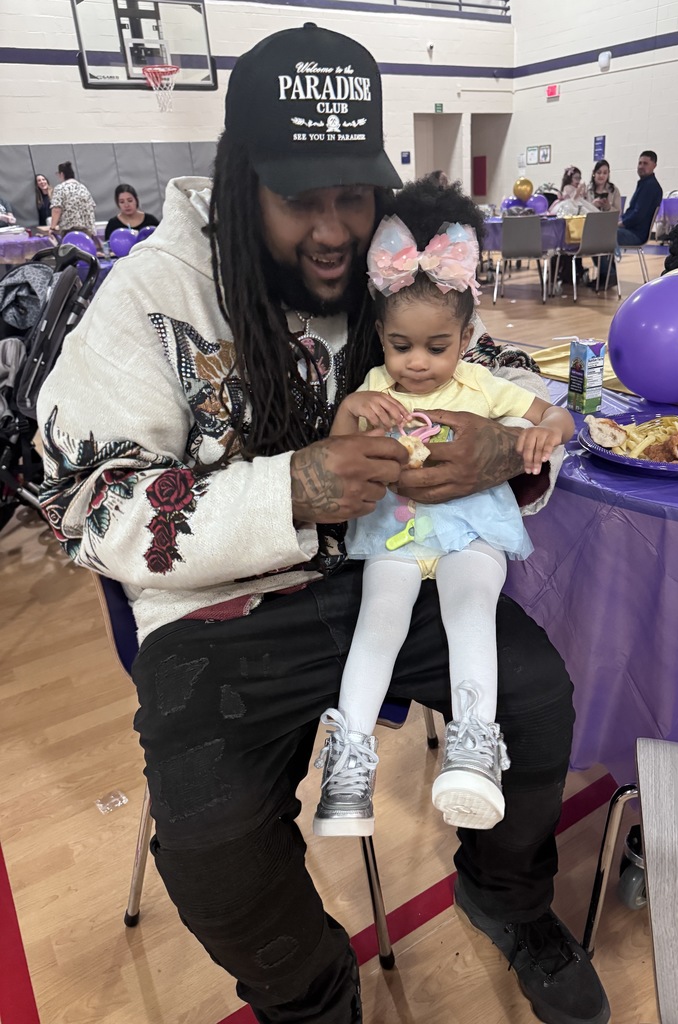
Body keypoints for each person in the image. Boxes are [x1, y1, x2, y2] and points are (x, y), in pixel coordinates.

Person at [37, 23, 609, 1024]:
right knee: (212, 840)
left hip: (390, 569)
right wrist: (292, 486)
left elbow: (502, 373)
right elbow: (87, 503)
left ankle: (504, 892)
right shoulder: (153, 295)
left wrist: (505, 451)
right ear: (238, 180)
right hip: (223, 610)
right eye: (301, 199)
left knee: (536, 697)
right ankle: (312, 993)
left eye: (353, 193)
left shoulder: (386, 266)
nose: (336, 228)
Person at [313, 178, 574, 838]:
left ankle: (474, 747)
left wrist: (546, 434)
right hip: (397, 532)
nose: (419, 363)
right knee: (379, 621)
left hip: (470, 530)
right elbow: (337, 463)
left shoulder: (484, 382)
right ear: (381, 336)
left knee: (469, 612)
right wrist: (348, 413)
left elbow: (558, 416)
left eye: (437, 346)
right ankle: (348, 764)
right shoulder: (372, 385)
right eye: (402, 346)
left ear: (465, 336)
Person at [618, 150, 662, 245]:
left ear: (654, 166)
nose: (641, 166)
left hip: (636, 234)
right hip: (632, 231)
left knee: (603, 235)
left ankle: (609, 260)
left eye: (645, 163)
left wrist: (622, 223)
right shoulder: (644, 184)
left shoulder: (650, 187)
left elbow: (638, 214)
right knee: (603, 233)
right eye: (640, 163)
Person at [47, 161, 97, 238]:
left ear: (62, 174)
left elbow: (56, 209)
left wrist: (52, 228)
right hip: (88, 232)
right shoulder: (83, 188)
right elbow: (92, 206)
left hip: (71, 232)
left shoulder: (60, 188)